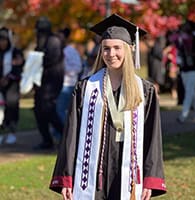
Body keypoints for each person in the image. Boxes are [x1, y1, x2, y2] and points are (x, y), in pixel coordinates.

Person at [49, 14, 166, 200]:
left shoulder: (145, 90)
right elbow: (71, 133)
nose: (111, 54)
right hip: (94, 168)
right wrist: (66, 177)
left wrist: (150, 179)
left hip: (128, 166)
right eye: (106, 49)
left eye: (117, 48)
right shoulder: (85, 88)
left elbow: (153, 137)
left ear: (128, 50)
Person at [33, 16, 64, 150]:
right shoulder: (41, 42)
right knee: (39, 110)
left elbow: (51, 59)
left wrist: (37, 60)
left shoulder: (53, 41)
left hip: (51, 82)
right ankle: (46, 140)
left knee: (48, 110)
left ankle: (65, 136)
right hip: (41, 82)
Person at [0, 27, 24, 144]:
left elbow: (19, 66)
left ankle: (12, 133)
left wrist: (8, 77)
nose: (2, 43)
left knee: (11, 106)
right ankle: (2, 132)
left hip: (12, 86)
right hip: (1, 86)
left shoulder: (15, 52)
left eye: (4, 40)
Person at [56, 27, 82, 125]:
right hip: (59, 84)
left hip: (68, 84)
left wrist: (63, 69)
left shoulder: (70, 51)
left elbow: (78, 67)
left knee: (60, 110)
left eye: (60, 37)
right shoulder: (57, 50)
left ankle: (65, 133)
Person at [177, 22, 195, 123]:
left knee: (189, 91)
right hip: (184, 69)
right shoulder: (181, 39)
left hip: (194, 69)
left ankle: (183, 115)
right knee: (191, 92)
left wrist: (192, 54)